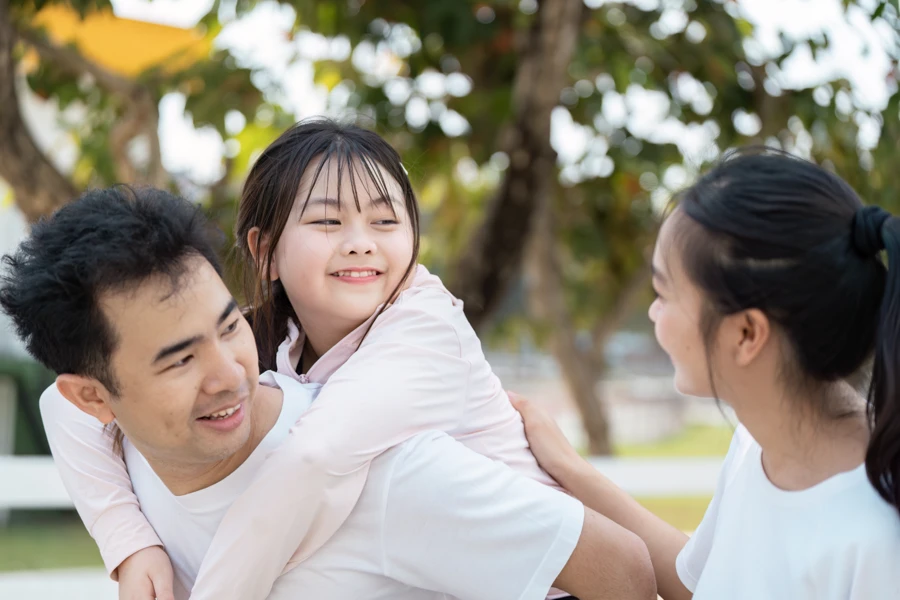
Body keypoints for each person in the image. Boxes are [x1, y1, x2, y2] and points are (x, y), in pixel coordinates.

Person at [3, 186, 657, 600]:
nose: (229, 373)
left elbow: (625, 569)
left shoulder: (388, 477)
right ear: (98, 397)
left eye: (230, 325)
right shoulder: (118, 446)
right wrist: (127, 541)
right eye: (179, 360)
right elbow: (55, 407)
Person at [511, 148, 900, 599]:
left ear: (746, 332)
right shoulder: (754, 447)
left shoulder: (877, 539)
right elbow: (695, 582)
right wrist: (569, 469)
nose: (655, 313)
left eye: (664, 292)